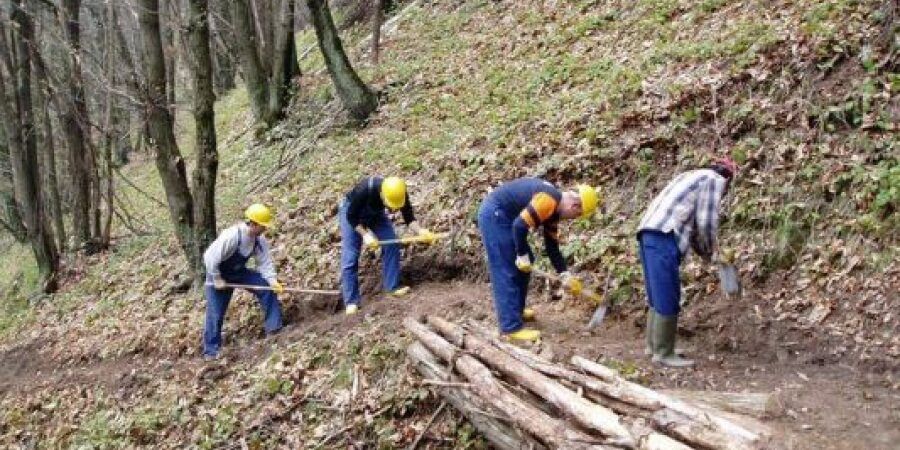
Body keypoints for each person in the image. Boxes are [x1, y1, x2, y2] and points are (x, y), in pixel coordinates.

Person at [637, 158, 737, 367]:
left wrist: (704, 253)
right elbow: (706, 223)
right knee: (667, 292)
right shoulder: (714, 180)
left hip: (648, 230)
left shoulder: (690, 176)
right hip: (664, 234)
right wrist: (712, 252)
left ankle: (654, 346)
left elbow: (690, 222)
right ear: (727, 178)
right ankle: (664, 353)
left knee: (656, 291)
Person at [477, 178, 600, 342]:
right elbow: (519, 226)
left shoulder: (553, 212)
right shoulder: (548, 200)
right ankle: (510, 327)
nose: (573, 218)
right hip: (495, 215)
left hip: (508, 218)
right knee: (507, 266)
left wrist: (565, 274)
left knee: (525, 264)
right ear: (575, 206)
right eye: (576, 215)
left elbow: (552, 247)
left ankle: (516, 311)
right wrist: (521, 255)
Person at [339, 176, 436, 315]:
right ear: (382, 195)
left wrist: (421, 231)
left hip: (375, 214)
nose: (392, 208)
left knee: (392, 243)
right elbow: (351, 217)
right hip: (351, 213)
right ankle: (351, 302)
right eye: (390, 204)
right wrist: (365, 235)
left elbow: (409, 218)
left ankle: (392, 287)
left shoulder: (400, 193)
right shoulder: (365, 189)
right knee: (351, 255)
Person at [202, 204, 284, 359]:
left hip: (238, 273)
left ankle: (274, 328)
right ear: (253, 223)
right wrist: (217, 278)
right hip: (217, 275)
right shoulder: (232, 236)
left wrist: (273, 281)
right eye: (263, 226)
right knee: (215, 313)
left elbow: (264, 263)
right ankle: (211, 352)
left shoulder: (259, 240)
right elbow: (209, 257)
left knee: (265, 288)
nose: (265, 229)